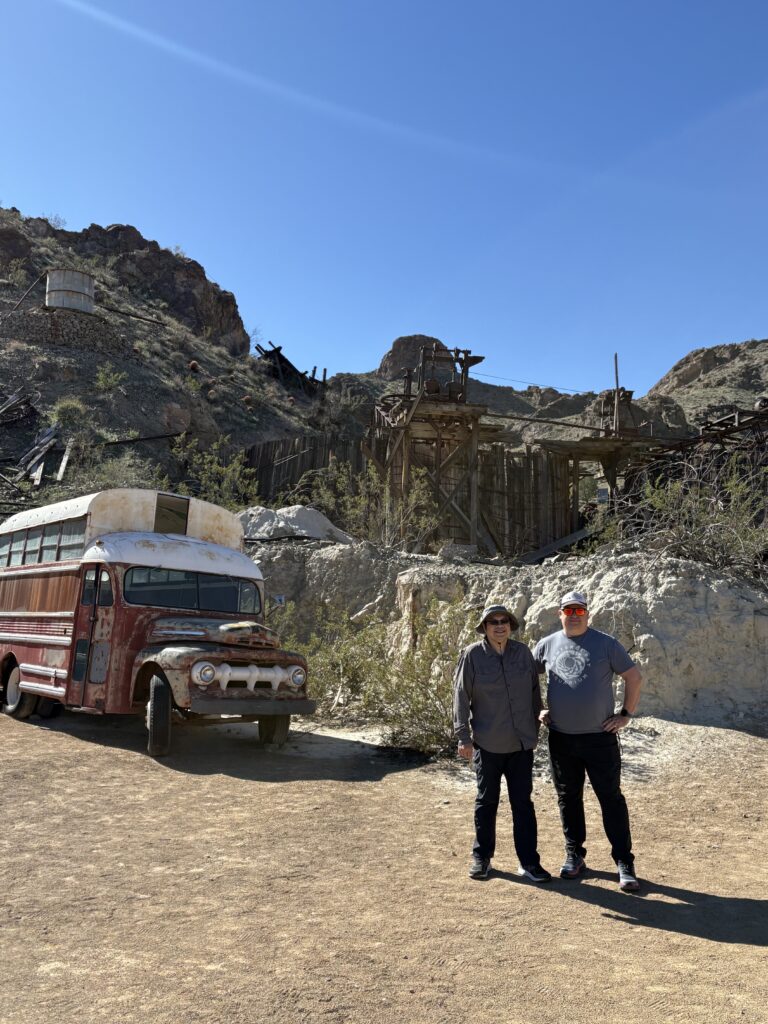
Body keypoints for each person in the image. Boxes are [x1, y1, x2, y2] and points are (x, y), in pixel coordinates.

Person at [533, 590, 643, 892]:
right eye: (568, 610)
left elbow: (634, 678)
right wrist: (537, 709)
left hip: (600, 738)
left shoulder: (606, 644)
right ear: (560, 614)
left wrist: (625, 714)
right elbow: (527, 678)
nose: (574, 615)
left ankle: (624, 862)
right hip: (561, 739)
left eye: (579, 611)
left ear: (588, 614)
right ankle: (574, 855)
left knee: (611, 799)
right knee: (568, 799)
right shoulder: (547, 645)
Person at [453, 603, 551, 883]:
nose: (499, 626)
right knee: (487, 802)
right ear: (484, 627)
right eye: (493, 621)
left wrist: (535, 724)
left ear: (510, 625)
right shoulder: (472, 656)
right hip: (488, 744)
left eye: (504, 621)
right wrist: (463, 737)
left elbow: (535, 692)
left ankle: (529, 863)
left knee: (523, 804)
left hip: (520, 745)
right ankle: (482, 858)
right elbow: (460, 697)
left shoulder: (522, 653)